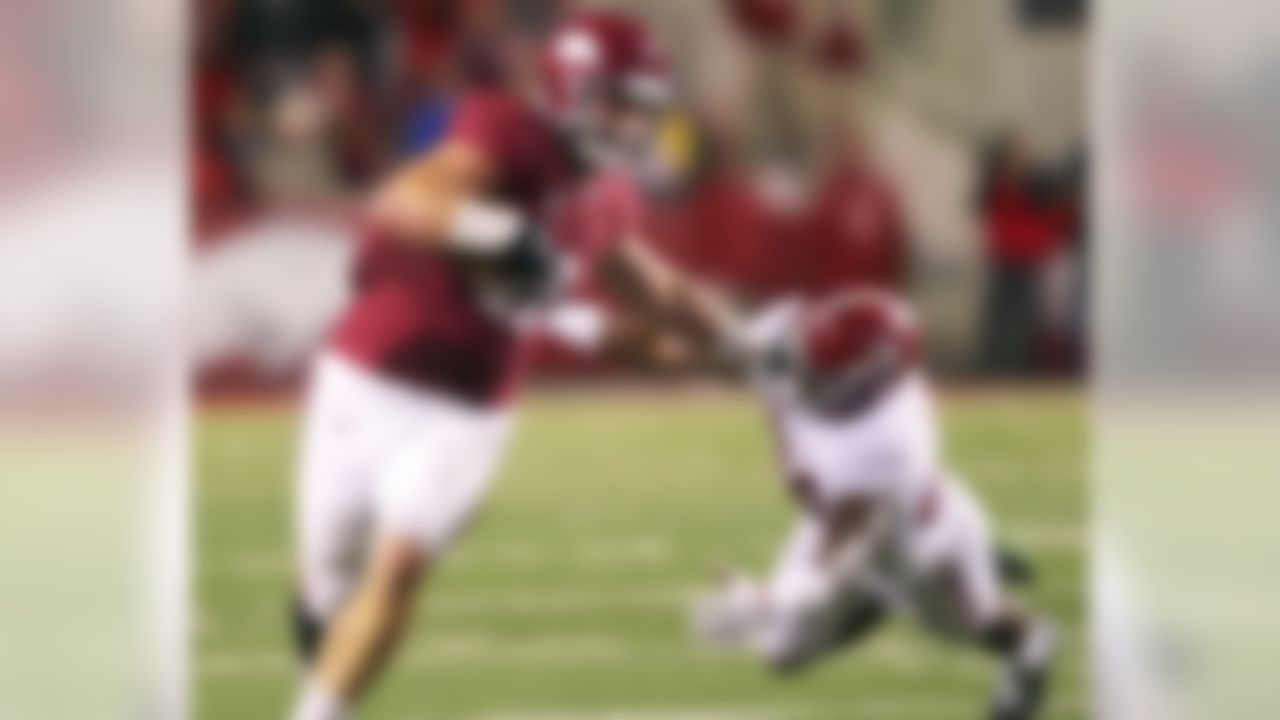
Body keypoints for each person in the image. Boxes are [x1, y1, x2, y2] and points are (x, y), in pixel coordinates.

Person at [288, 11, 739, 720]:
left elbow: (659, 293)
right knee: (325, 596)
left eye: (640, 108)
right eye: (614, 102)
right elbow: (405, 198)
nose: (628, 125)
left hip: (472, 405)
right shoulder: (507, 131)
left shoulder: (610, 196)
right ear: (568, 89)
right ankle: (320, 622)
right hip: (373, 372)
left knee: (401, 566)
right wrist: (491, 234)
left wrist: (741, 348)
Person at [689, 288, 1058, 720]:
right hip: (838, 521)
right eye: (808, 357)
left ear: (866, 384)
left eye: (823, 372)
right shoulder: (785, 342)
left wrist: (766, 602)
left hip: (922, 550)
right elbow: (709, 344)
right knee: (779, 656)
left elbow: (839, 556)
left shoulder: (890, 442)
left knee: (983, 624)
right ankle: (878, 596)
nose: (806, 375)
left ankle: (1033, 645)